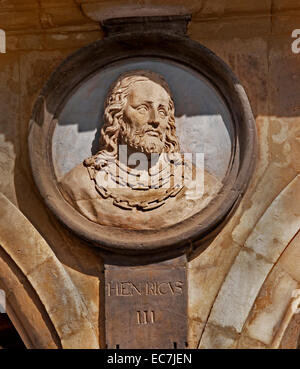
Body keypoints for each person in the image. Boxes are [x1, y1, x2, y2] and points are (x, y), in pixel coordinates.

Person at [59, 70, 221, 230]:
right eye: (143, 109)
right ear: (118, 117)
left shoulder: (201, 185)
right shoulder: (80, 185)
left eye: (162, 111)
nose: (155, 120)